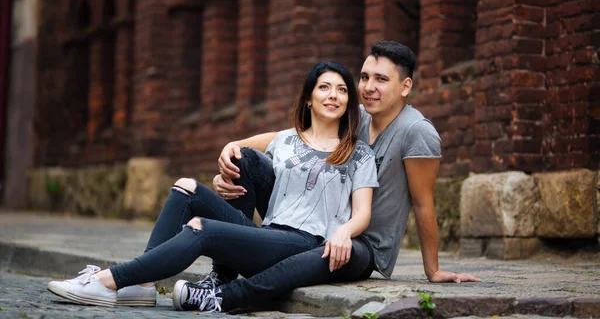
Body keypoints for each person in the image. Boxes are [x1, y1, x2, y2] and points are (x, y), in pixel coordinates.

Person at [172, 41, 480, 312]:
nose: (369, 87)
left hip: (363, 244)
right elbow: (285, 137)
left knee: (320, 255)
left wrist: (433, 270)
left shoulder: (417, 132)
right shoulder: (358, 116)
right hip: (320, 222)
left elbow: (424, 202)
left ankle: (224, 298)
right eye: (365, 78)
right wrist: (233, 148)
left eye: (381, 79)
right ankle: (223, 271)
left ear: (405, 86)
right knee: (249, 161)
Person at [47, 62, 379, 311]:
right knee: (186, 186)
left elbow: (362, 212)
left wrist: (344, 232)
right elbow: (239, 148)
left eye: (341, 90)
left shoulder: (357, 152)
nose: (333, 95)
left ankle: (109, 280)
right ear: (309, 98)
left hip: (306, 243)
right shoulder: (284, 139)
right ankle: (145, 284)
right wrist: (226, 155)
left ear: (349, 102)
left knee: (200, 228)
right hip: (269, 235)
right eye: (324, 87)